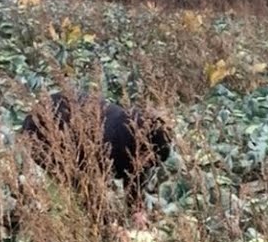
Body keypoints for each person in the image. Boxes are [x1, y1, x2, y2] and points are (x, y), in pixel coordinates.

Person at [20, 89, 173, 214]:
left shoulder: (143, 132)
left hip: (75, 120)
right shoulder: (107, 146)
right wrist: (104, 221)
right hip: (41, 134)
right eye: (150, 161)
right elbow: (89, 185)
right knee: (75, 194)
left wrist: (136, 210)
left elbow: (136, 173)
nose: (150, 166)